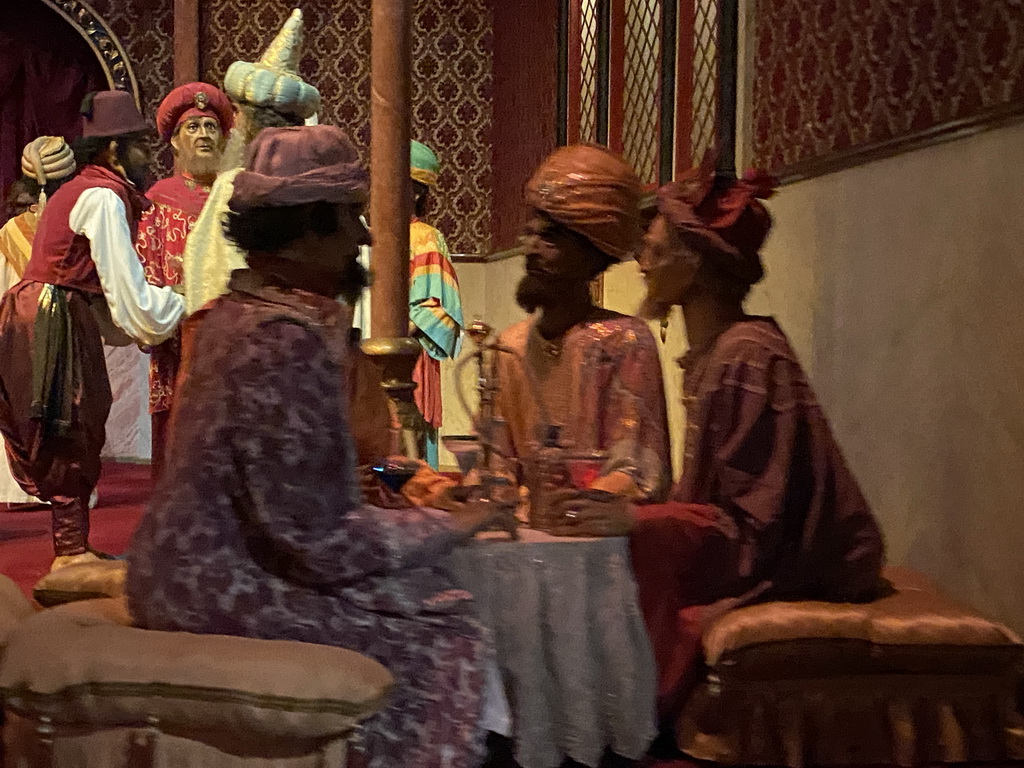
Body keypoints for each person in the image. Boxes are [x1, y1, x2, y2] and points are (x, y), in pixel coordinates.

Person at [126, 125, 494, 768]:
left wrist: (409, 481)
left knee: (436, 589)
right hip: (212, 581)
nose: (366, 236)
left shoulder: (249, 316)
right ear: (305, 229)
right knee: (449, 635)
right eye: (350, 217)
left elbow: (337, 467)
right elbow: (311, 537)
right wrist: (455, 525)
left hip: (234, 561)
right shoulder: (280, 339)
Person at [550, 154, 885, 730]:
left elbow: (760, 528)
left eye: (653, 245)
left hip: (796, 560)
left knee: (630, 552)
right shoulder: (715, 354)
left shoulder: (746, 356)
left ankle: (618, 725)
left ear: (695, 261)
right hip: (750, 545)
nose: (641, 259)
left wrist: (640, 521)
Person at [0, 91, 184, 570]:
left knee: (76, 424)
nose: (150, 155)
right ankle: (69, 555)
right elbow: (126, 290)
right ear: (114, 150)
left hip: (52, 310)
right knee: (69, 424)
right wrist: (183, 303)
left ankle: (72, 549)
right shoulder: (101, 195)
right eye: (141, 145)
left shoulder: (89, 188)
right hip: (51, 313)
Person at [493, 143, 671, 504]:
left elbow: (636, 472)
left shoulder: (625, 341)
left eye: (550, 237)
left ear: (591, 254)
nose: (530, 248)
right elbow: (494, 459)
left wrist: (567, 507)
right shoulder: (509, 347)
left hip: (595, 546)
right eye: (530, 234)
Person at [182, 7, 319, 317]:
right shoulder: (321, 186)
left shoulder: (234, 188)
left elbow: (208, 277)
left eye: (239, 114)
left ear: (251, 123)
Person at [136, 82, 232, 481]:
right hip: (181, 345)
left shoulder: (235, 197)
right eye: (193, 128)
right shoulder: (159, 201)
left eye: (211, 127)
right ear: (174, 143)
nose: (204, 135)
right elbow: (147, 269)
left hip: (232, 339)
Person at [0, 137, 77, 508]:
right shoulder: (70, 225)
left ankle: (21, 487)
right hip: (59, 325)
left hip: (18, 325)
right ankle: (65, 487)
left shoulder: (9, 233)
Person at [407, 141, 464, 468]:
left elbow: (435, 306)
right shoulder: (370, 233)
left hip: (410, 352)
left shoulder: (426, 238)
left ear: (415, 192)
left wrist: (395, 330)